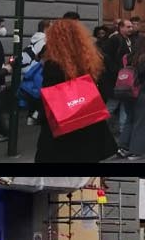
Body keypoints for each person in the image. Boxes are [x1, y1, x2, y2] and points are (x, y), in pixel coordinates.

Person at [31, 19, 118, 163]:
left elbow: (49, 97)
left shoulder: (54, 64)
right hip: (89, 121)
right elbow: (104, 88)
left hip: (63, 125)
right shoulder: (91, 60)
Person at [116, 32, 145, 159]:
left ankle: (123, 147)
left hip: (126, 91)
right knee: (140, 122)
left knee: (130, 120)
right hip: (141, 92)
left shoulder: (127, 57)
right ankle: (137, 151)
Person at [100, 18, 135, 147]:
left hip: (124, 79)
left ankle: (122, 132)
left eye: (131, 26)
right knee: (112, 105)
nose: (131, 29)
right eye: (128, 26)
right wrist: (117, 71)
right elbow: (106, 56)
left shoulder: (129, 40)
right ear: (121, 28)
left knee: (123, 105)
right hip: (116, 79)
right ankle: (101, 128)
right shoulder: (115, 39)